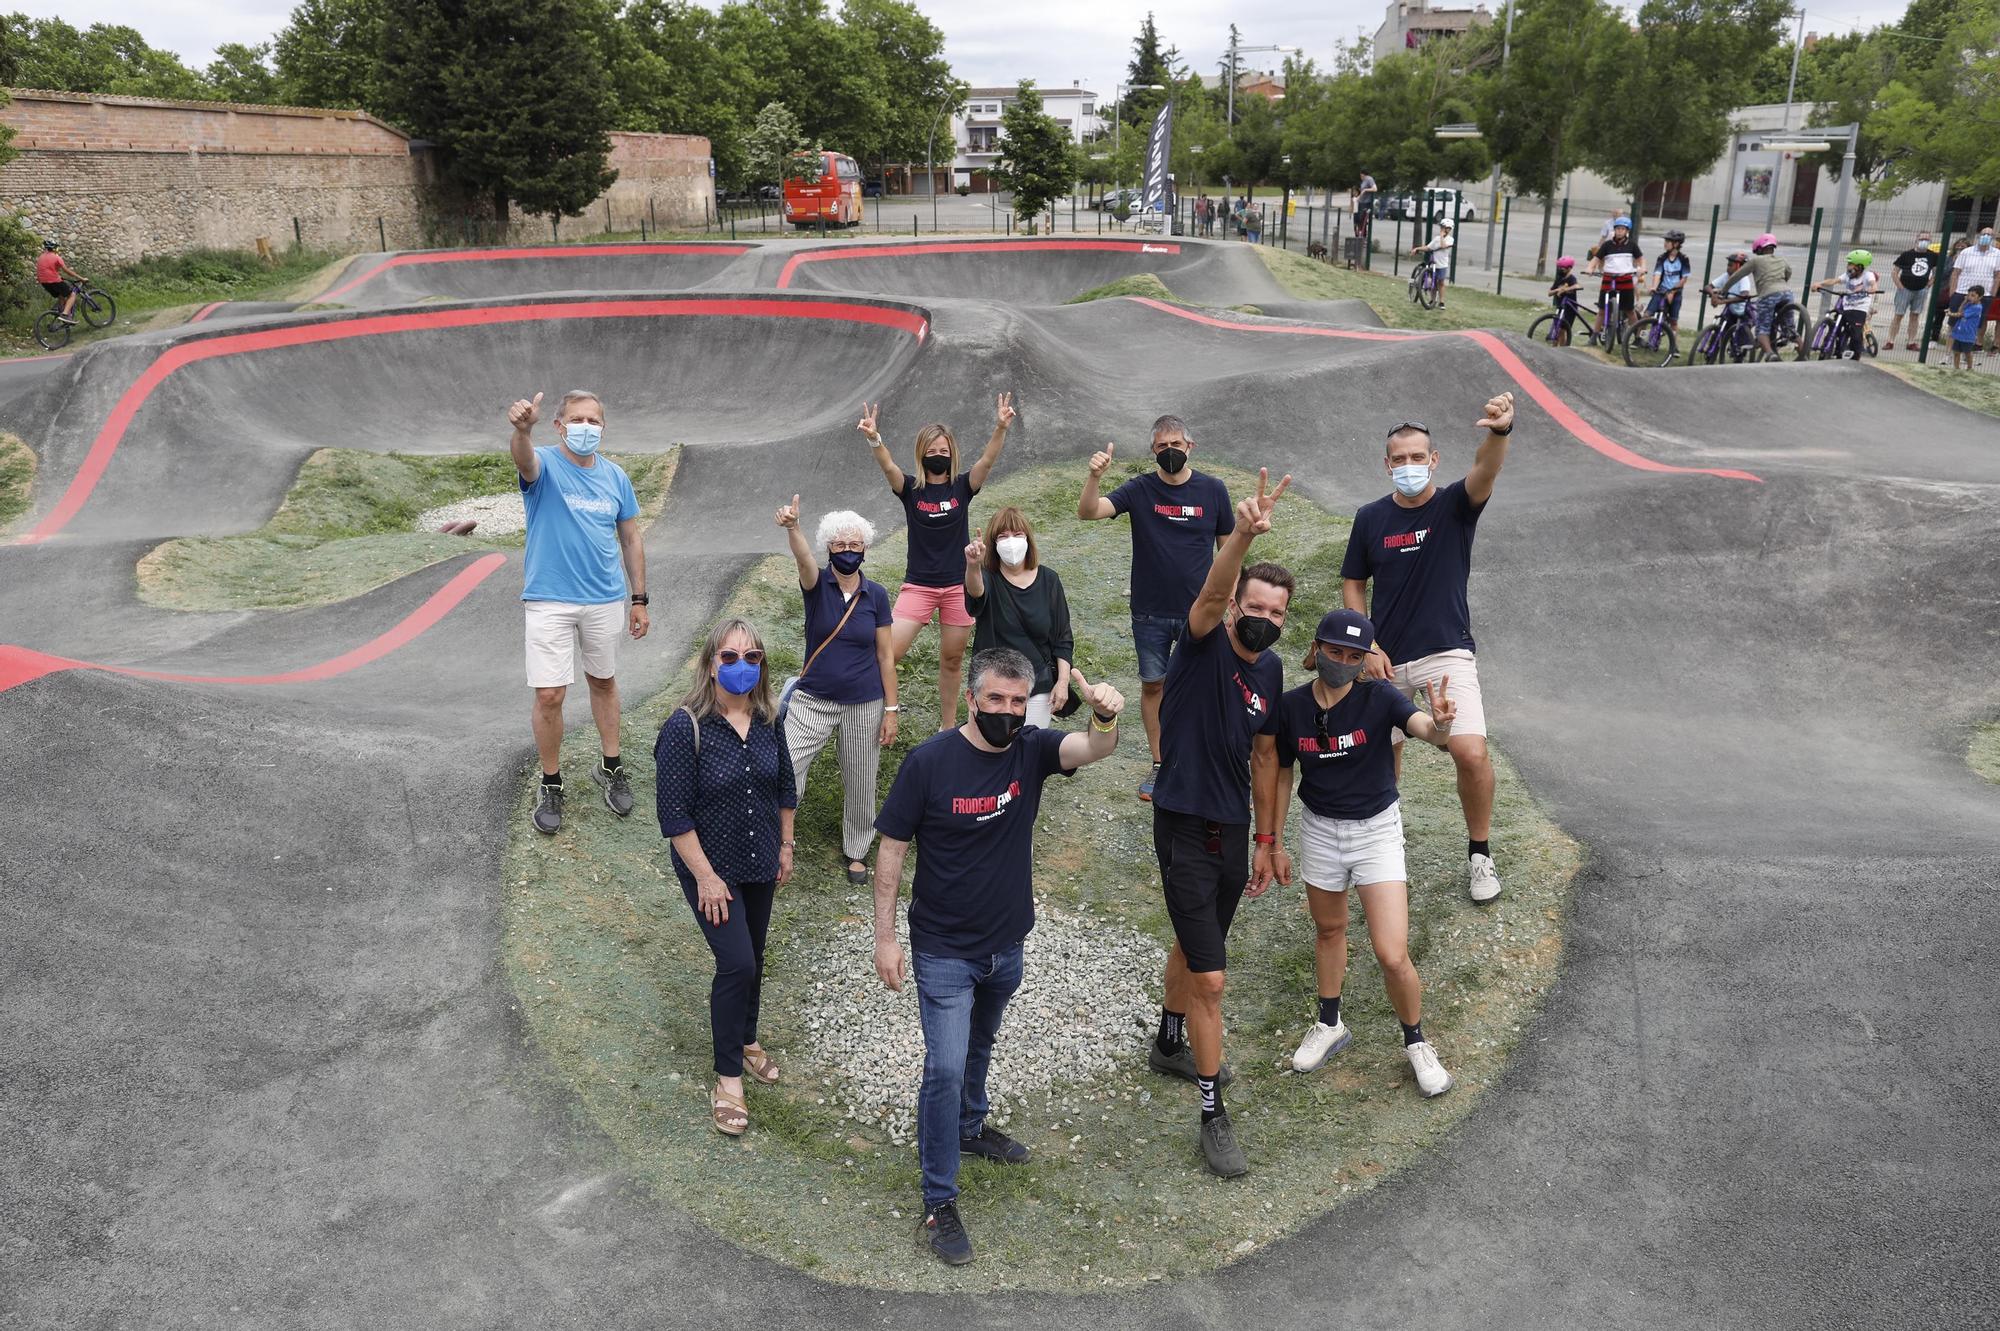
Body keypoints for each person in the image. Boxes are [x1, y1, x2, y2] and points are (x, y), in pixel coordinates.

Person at [872, 648, 1127, 1264]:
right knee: (943, 1067)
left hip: (1006, 941)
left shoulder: (1031, 749)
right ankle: (938, 1199)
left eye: (1018, 702)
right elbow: (892, 850)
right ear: (972, 699)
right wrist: (884, 935)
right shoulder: (928, 763)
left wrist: (1104, 718)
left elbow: (1094, 751)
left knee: (982, 1044)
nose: (1007, 713)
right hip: (943, 951)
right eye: (996, 700)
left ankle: (970, 1126)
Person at [1144, 469, 1292, 1180]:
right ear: (1237, 605)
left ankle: (1168, 1039)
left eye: (1276, 611)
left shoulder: (1271, 672)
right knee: (1212, 980)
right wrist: (1241, 533)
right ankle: (1211, 1112)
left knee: (1196, 941)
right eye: (1253, 604)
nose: (1262, 617)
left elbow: (1267, 756)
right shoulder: (1202, 639)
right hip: (1182, 824)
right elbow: (1208, 594)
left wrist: (1268, 839)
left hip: (1234, 834)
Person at [1260, 608, 1460, 1097]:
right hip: (1320, 829)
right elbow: (1280, 772)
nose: (1343, 662)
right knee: (1329, 929)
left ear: (1366, 659)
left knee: (1392, 953)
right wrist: (1274, 841)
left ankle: (1416, 1042)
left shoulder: (1379, 697)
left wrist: (1441, 727)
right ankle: (1330, 1024)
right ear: (1317, 649)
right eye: (1335, 652)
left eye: (1355, 655)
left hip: (1375, 831)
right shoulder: (1289, 707)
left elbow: (1424, 730)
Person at [1342, 393, 1517, 903]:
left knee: (1469, 749)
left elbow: (1486, 470)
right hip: (1386, 658)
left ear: (1434, 460)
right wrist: (1366, 642)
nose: (1409, 466)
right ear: (1386, 464)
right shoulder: (1370, 518)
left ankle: (1480, 854)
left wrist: (1500, 432)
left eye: (1418, 457)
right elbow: (1354, 581)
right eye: (1400, 459)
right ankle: (1385, 850)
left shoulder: (1455, 505)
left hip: (1445, 650)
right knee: (1381, 761)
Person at [653, 618, 797, 1137]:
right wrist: (708, 880)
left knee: (755, 957)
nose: (741, 667)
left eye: (752, 657)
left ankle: (748, 1038)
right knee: (736, 963)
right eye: (730, 657)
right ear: (711, 663)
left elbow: (784, 785)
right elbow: (674, 817)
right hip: (708, 869)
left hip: (759, 860)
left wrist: (786, 844)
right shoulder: (685, 726)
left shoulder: (769, 719)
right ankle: (728, 1078)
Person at [506, 389, 649, 836]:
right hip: (549, 597)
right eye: (576, 419)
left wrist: (639, 598)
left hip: (604, 598)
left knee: (603, 681)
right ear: (559, 425)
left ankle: (611, 766)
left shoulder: (615, 477)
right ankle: (551, 782)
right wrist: (521, 431)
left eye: (593, 420)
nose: (585, 427)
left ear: (603, 428)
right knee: (550, 694)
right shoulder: (544, 463)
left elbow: (630, 537)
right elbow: (524, 461)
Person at [1077, 416, 1235, 799]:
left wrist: (1231, 602)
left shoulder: (1213, 490)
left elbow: (1229, 551)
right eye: (1162, 447)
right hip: (1149, 613)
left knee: (1207, 688)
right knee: (1154, 686)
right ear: (1153, 451)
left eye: (1176, 445)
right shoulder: (1140, 489)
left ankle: (1208, 764)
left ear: (1190, 447)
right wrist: (1095, 476)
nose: (1170, 453)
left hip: (1201, 613)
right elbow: (1089, 511)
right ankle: (1162, 763)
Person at [859, 394, 1016, 730]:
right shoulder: (911, 489)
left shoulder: (963, 486)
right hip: (919, 586)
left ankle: (947, 729)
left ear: (952, 455)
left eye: (943, 452)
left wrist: (1001, 427)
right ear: (921, 455)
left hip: (959, 587)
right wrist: (875, 438)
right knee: (888, 653)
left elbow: (987, 460)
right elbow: (888, 465)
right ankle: (871, 714)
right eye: (931, 452)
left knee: (952, 659)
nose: (938, 456)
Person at [774, 495, 899, 884]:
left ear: (865, 548)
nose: (847, 551)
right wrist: (794, 528)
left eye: (854, 545)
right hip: (813, 699)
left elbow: (885, 656)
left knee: (862, 779)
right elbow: (801, 560)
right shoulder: (817, 584)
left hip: (865, 702)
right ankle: (776, 839)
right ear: (828, 548)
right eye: (839, 545)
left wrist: (891, 710)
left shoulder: (876, 595)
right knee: (786, 765)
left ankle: (858, 851)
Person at [961, 508, 1073, 728]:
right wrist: (973, 565)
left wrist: (1062, 681)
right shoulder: (987, 578)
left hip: (1036, 685)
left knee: (1028, 751)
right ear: (993, 544)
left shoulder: (1049, 580)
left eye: (1017, 534)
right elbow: (975, 593)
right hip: (991, 687)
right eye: (1002, 536)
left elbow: (1063, 638)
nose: (1010, 542)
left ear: (1028, 539)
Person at [1587, 216, 1645, 338]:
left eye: (1622, 229)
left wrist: (1642, 268)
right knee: (1602, 310)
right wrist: (1590, 268)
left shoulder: (1632, 245)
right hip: (1609, 279)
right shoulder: (1607, 245)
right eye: (1618, 228)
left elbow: (1641, 259)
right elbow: (1596, 259)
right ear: (1614, 230)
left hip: (1626, 280)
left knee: (1630, 310)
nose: (1619, 231)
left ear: (1627, 231)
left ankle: (1637, 337)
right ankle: (1594, 336)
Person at [1811, 251, 1878, 357]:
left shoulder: (1867, 275)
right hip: (1846, 307)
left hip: (1860, 308)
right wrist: (1820, 284)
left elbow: (1873, 284)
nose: (1848, 267)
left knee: (1856, 335)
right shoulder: (1847, 275)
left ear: (1859, 266)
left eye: (1850, 264)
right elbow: (1834, 281)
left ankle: (1855, 357)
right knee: (1835, 327)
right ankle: (1827, 349)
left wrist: (1872, 289)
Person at [1945, 226, 1999, 355]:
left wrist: (1991, 294)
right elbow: (1955, 273)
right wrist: (1953, 292)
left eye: (1989, 235)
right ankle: (1948, 353)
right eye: (1983, 234)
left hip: (1983, 296)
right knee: (1953, 323)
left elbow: (1997, 276)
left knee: (1974, 325)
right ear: (1979, 236)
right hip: (1962, 292)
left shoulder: (1997, 254)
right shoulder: (1966, 252)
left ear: (1992, 238)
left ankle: (1965, 354)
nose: (1985, 237)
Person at [1744, 232, 1796, 358]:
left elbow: (1737, 276)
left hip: (1768, 295)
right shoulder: (1781, 259)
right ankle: (1803, 353)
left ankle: (1769, 354)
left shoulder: (1756, 260)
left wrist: (1723, 290)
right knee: (1791, 329)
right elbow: (1788, 273)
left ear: (1760, 250)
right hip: (1787, 294)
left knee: (1762, 329)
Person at [1888, 231, 1938, 351]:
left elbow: (1936, 272)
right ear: (1916, 240)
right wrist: (1900, 286)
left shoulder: (1933, 256)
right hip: (1904, 289)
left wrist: (1929, 284)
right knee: (1898, 315)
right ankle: (1890, 341)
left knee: (1915, 315)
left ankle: (1911, 342)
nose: (1924, 242)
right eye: (1922, 239)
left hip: (1921, 290)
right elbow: (1895, 271)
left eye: (1927, 239)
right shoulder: (1906, 255)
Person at [1648, 229, 1692, 334]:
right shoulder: (1662, 258)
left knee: (1673, 321)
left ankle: (1674, 346)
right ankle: (1639, 339)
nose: (1665, 244)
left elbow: (1684, 279)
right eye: (1665, 241)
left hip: (1676, 292)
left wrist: (1672, 291)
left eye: (1668, 241)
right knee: (1647, 315)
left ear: (1676, 244)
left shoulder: (1683, 259)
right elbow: (1657, 274)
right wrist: (1654, 286)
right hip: (1661, 290)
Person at [35, 240, 86, 324]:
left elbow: (48, 270)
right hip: (53, 280)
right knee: (72, 294)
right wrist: (81, 278)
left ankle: (59, 311)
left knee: (61, 295)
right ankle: (65, 315)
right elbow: (67, 271)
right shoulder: (56, 257)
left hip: (44, 282)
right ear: (55, 248)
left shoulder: (41, 257)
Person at [1409, 219, 1455, 307]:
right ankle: (1432, 300)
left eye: (1444, 228)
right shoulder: (1436, 239)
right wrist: (1417, 248)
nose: (1441, 229)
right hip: (1434, 263)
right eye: (1442, 227)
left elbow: (1443, 246)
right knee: (1433, 283)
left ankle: (1441, 302)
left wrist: (1442, 236)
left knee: (1440, 282)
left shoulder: (1450, 239)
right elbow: (1428, 247)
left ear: (1449, 229)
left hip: (1442, 264)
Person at [1547, 257, 1582, 345]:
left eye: (1562, 268)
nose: (1560, 270)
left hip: (1570, 309)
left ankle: (1563, 349)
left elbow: (1578, 286)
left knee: (1563, 330)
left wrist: (1566, 289)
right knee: (1557, 329)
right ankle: (1554, 347)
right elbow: (1549, 293)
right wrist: (1557, 290)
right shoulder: (1559, 278)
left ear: (1569, 268)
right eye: (1559, 267)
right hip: (1560, 307)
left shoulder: (1571, 278)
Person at [1951, 286, 1986, 370]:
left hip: (1968, 335)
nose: (1970, 297)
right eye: (1969, 295)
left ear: (1980, 297)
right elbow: (1960, 310)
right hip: (1959, 333)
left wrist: (1951, 314)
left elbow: (1961, 314)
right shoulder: (1969, 304)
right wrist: (1964, 301)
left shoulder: (1977, 308)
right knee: (1956, 352)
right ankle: (1956, 369)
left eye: (1973, 295)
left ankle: (1969, 368)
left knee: (1967, 353)